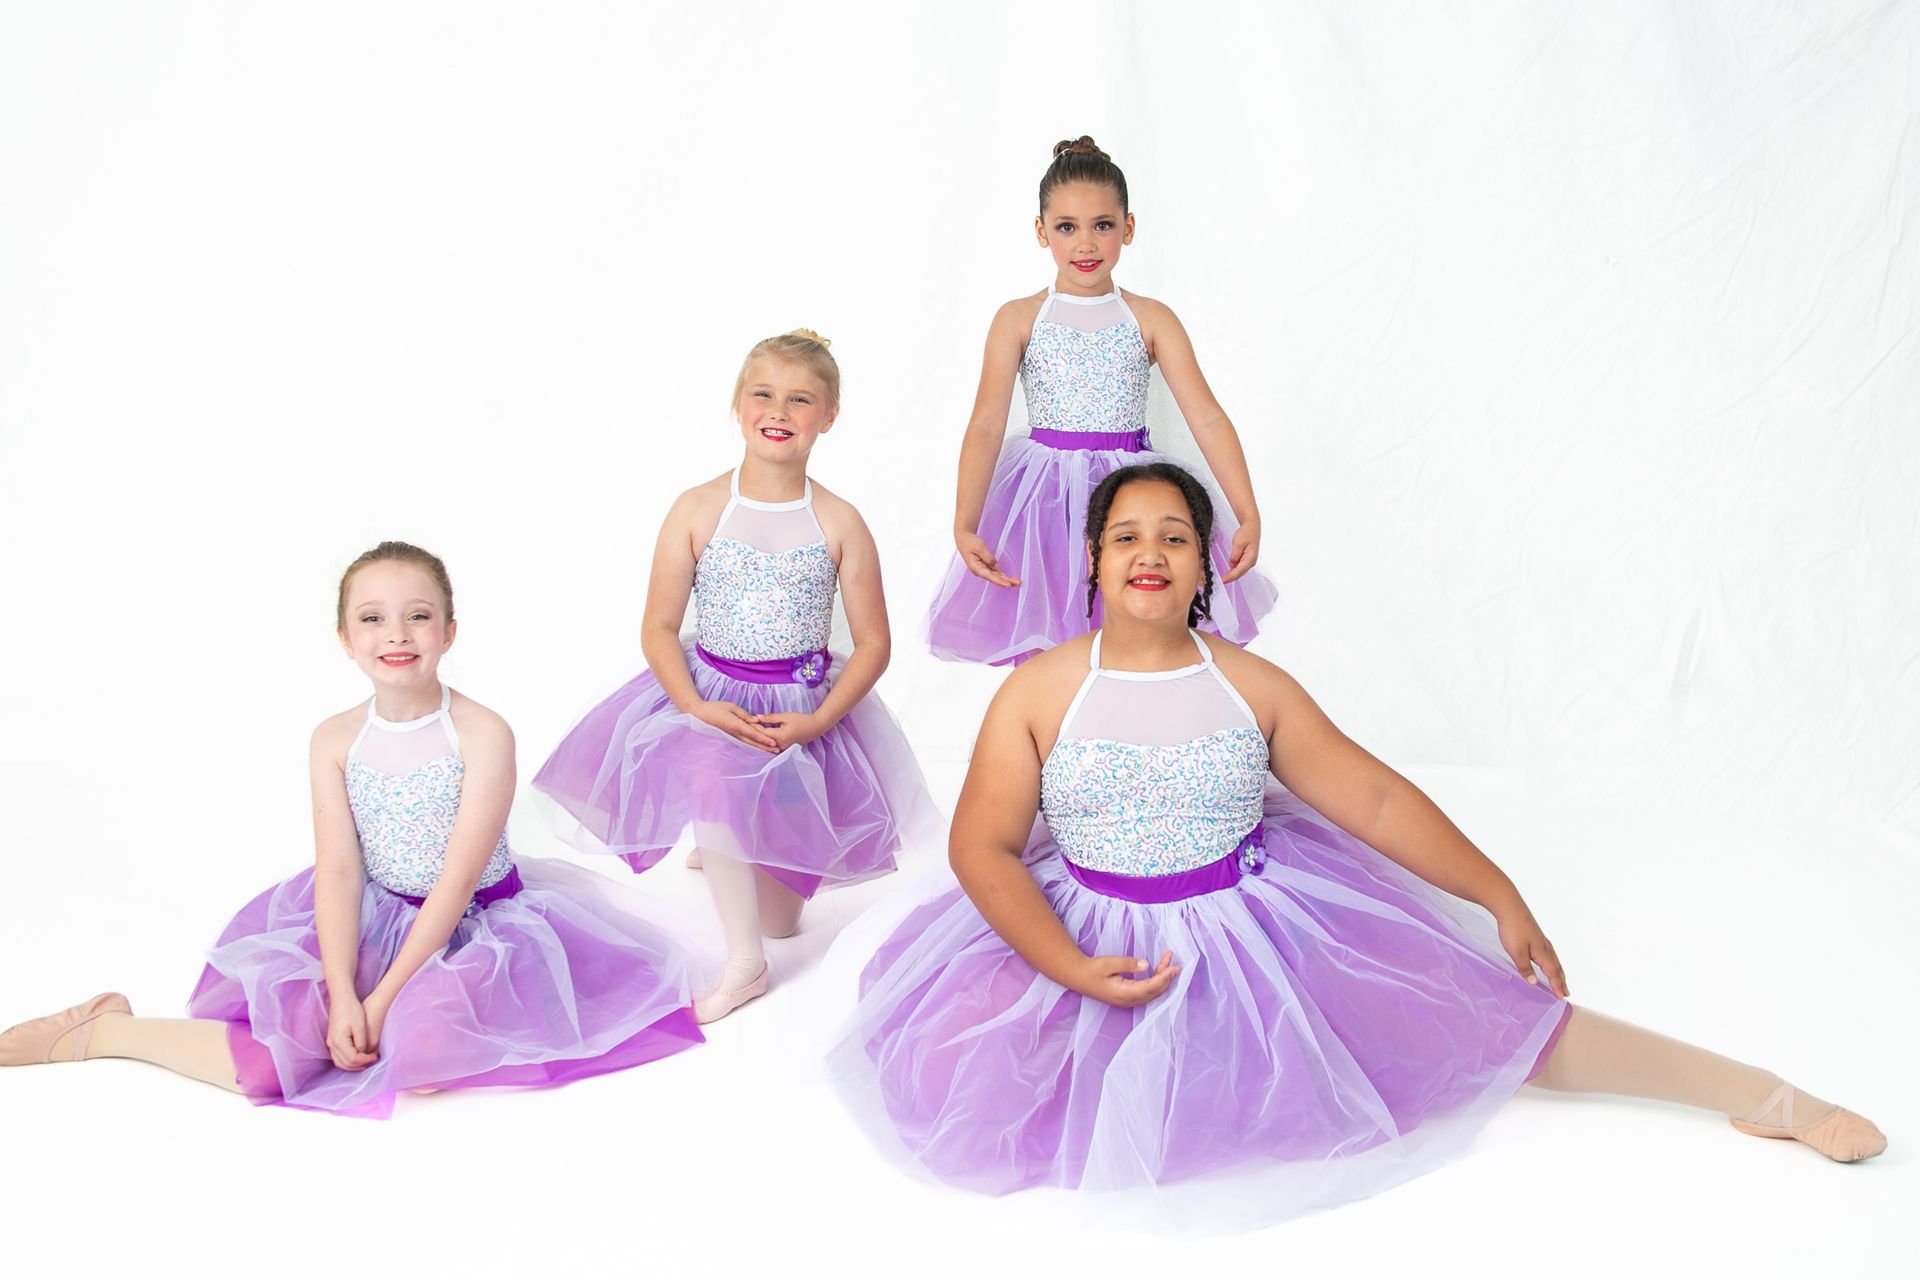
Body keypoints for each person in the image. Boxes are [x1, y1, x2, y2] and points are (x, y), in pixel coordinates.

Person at [838, 462, 1884, 1225]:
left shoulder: (1250, 685)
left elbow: (1375, 799)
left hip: (1251, 922)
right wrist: (1065, 963)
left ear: (1206, 562)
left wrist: (1496, 888)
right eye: (1126, 535)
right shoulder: (1041, 688)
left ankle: (1761, 1092)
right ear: (1094, 561)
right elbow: (983, 846)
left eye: (1173, 533)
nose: (1149, 550)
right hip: (1085, 928)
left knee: (1495, 1021)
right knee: (988, 1075)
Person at [0, 542, 703, 1117]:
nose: (396, 633)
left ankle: (386, 1016)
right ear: (346, 639)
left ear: (449, 632)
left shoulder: (483, 734)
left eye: (418, 616)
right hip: (370, 921)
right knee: (279, 1063)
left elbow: (456, 884)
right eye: (372, 618)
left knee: (418, 1061)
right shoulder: (334, 740)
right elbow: (338, 868)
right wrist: (343, 992)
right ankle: (105, 1031)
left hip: (475, 929)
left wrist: (382, 998)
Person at [535, 330, 938, 1023]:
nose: (779, 410)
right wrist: (693, 706)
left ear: (828, 417)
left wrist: (817, 720)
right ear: (738, 404)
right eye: (764, 394)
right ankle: (745, 965)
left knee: (784, 918)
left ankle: (729, 851)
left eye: (800, 399)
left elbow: (873, 643)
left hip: (799, 706)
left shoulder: (838, 521)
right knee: (716, 780)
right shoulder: (698, 508)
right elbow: (658, 627)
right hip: (711, 697)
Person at [927, 136, 1278, 666]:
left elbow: (1205, 416)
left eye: (1103, 225)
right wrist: (965, 519)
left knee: (1138, 629)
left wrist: (1247, 511)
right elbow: (985, 425)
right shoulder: (1018, 319)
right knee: (1057, 642)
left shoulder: (1151, 318)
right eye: (1067, 227)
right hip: (1043, 502)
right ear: (1041, 232)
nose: (1085, 243)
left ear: (1128, 228)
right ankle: (1060, 742)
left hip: (1131, 495)